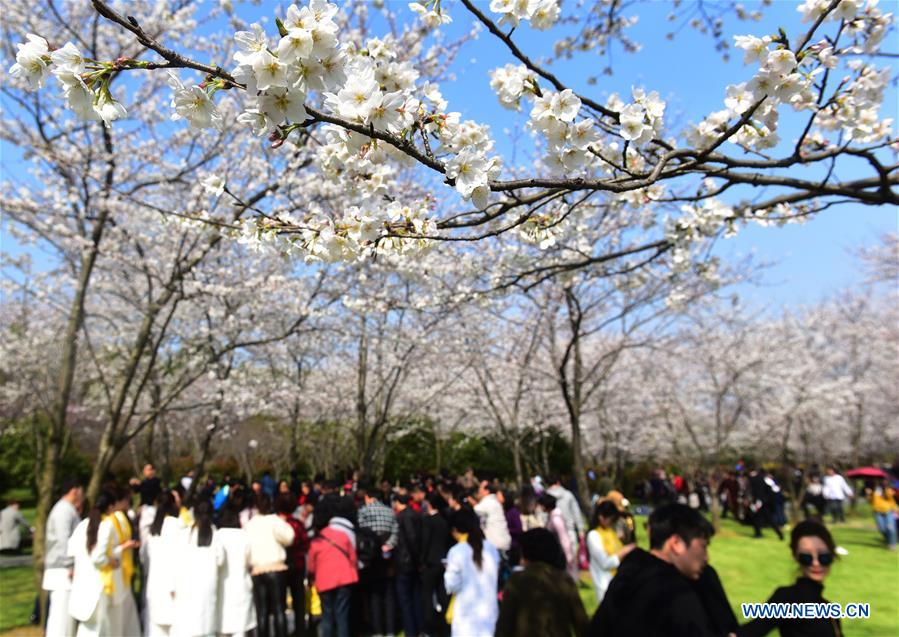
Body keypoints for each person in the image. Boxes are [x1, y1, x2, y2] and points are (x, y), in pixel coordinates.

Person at [587, 503, 718, 637]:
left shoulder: (628, 576)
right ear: (676, 544)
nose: (707, 557)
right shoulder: (678, 595)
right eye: (703, 546)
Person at [736, 519, 842, 637]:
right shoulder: (786, 598)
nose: (816, 563)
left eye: (823, 557)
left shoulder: (830, 610)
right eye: (806, 557)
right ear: (795, 557)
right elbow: (750, 631)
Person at [494, 528, 589, 637]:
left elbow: (504, 626)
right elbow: (582, 624)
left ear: (527, 554)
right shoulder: (564, 580)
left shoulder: (516, 581)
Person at [68, 489, 137, 637]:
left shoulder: (83, 525)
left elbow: (71, 550)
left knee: (87, 630)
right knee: (101, 630)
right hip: (100, 587)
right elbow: (98, 558)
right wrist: (112, 559)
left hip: (82, 585)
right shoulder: (106, 525)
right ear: (111, 507)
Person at [170, 500, 223, 637]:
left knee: (188, 625)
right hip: (208, 587)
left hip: (186, 586)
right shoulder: (215, 535)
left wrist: (173, 585)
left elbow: (175, 560)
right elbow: (221, 559)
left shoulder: (184, 534)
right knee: (206, 625)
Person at [444, 508, 500, 637]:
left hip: (466, 616)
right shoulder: (491, 548)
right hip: (489, 614)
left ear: (456, 530)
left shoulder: (457, 551)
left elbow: (451, 585)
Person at [245, 493, 295, 637]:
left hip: (257, 570)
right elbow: (289, 537)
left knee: (262, 612)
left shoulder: (250, 524)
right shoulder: (275, 521)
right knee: (279, 609)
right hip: (276, 567)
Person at [307, 501, 358, 637]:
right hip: (345, 579)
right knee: (342, 616)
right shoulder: (342, 535)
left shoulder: (316, 541)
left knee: (327, 616)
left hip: (324, 582)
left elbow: (311, 566)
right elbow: (353, 557)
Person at [43, 477, 84, 637]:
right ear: (74, 491)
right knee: (60, 618)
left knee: (65, 618)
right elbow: (64, 540)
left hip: (63, 569)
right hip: (61, 570)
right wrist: (69, 564)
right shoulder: (63, 510)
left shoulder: (67, 509)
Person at [357, 483, 399, 637]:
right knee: (388, 595)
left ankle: (377, 630)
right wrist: (388, 545)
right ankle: (390, 629)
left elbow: (360, 533)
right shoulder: (390, 512)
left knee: (374, 595)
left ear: (368, 497)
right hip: (387, 557)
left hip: (370, 558)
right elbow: (396, 531)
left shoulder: (362, 512)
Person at [145, 492, 185, 637]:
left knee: (155, 629)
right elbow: (179, 557)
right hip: (172, 586)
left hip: (154, 584)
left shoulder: (154, 528)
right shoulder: (177, 525)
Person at [217, 505, 257, 637]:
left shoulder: (216, 536)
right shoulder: (244, 536)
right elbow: (251, 561)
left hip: (220, 588)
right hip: (241, 585)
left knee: (222, 627)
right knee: (240, 629)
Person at [586, 501, 636, 604]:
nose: (613, 522)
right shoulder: (594, 536)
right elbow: (605, 563)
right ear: (601, 517)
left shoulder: (611, 532)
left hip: (618, 582)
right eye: (611, 519)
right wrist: (624, 552)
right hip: (604, 585)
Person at [109, 486, 141, 637]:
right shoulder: (113, 519)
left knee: (128, 615)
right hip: (117, 570)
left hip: (125, 569)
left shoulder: (121, 516)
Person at [275, 493, 309, 632]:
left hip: (279, 565)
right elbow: (306, 544)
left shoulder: (275, 523)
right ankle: (300, 629)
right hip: (298, 565)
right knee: (298, 601)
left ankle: (281, 630)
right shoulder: (297, 524)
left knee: (280, 601)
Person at [420, 491, 450, 636]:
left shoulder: (428, 521)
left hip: (430, 562)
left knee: (427, 596)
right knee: (442, 595)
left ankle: (429, 627)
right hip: (442, 561)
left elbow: (425, 542)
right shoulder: (444, 520)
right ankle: (444, 625)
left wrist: (422, 560)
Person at [394, 493, 424, 637]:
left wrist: (414, 557)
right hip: (413, 561)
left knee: (405, 599)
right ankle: (419, 627)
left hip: (405, 561)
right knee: (416, 596)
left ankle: (411, 630)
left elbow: (411, 538)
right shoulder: (416, 515)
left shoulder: (403, 517)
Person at [545, 476, 585, 560]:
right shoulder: (568, 494)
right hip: (570, 531)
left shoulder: (545, 497)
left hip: (552, 535)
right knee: (571, 560)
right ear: (558, 482)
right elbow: (576, 512)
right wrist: (581, 529)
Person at [538, 493, 576, 581]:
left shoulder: (556, 519)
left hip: (559, 554)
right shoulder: (552, 517)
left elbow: (564, 538)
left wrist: (568, 556)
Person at [748, 462, 783, 540]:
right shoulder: (765, 478)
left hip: (758, 501)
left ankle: (758, 533)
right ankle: (779, 533)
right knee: (768, 518)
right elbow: (775, 489)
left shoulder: (752, 479)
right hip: (764, 501)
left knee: (757, 517)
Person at [473, 481, 512, 553]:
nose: (478, 490)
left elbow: (473, 512)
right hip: (504, 542)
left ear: (487, 491)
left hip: (495, 545)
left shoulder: (487, 503)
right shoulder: (495, 502)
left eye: (480, 488)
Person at [866, 478, 898, 550]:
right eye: (881, 480)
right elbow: (870, 502)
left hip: (888, 511)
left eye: (885, 480)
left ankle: (892, 544)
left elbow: (893, 500)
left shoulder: (890, 489)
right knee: (882, 529)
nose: (883, 482)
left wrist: (888, 492)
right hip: (877, 512)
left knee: (890, 527)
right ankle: (888, 540)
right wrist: (868, 494)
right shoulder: (874, 490)